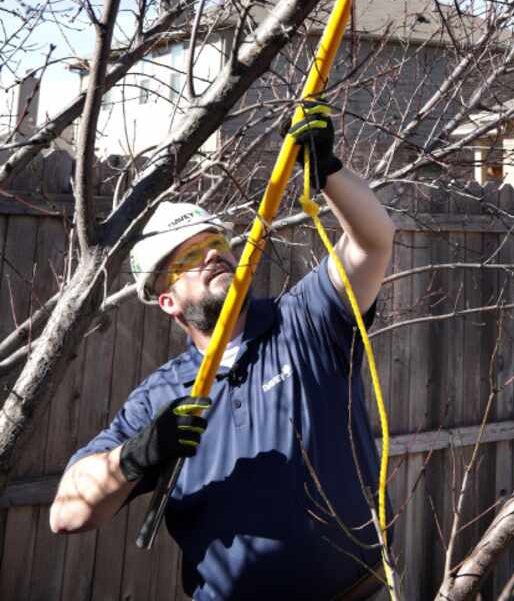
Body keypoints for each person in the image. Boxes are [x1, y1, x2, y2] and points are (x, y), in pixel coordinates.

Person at [49, 103, 395, 601]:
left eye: (217, 241)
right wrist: (135, 456)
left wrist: (328, 170)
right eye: (190, 255)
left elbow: (374, 242)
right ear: (165, 299)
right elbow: (67, 513)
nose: (214, 253)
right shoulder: (161, 397)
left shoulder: (304, 321)